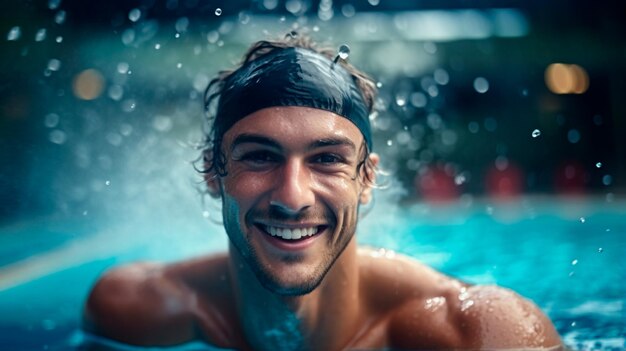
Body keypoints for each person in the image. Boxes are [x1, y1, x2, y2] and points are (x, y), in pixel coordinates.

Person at [83, 34, 562, 350]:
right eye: (260, 156)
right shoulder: (134, 311)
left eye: (327, 159)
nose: (292, 198)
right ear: (213, 171)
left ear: (367, 178)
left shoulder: (480, 332)